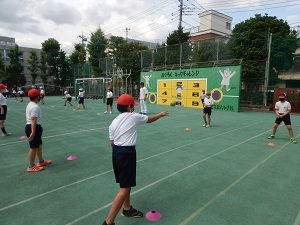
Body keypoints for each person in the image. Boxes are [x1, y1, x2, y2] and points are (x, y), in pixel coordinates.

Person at [102, 94, 169, 225]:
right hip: (126, 153)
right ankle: (108, 222)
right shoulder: (134, 116)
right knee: (124, 189)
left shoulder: (113, 121)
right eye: (132, 106)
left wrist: (118, 154)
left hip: (116, 151)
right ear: (129, 106)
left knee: (126, 183)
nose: (133, 108)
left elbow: (112, 142)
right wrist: (160, 114)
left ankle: (127, 209)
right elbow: (150, 119)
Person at [25, 89, 52, 172]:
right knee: (33, 147)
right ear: (37, 96)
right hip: (34, 127)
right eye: (39, 95)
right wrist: (33, 132)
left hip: (35, 127)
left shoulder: (31, 104)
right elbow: (33, 119)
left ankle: (41, 161)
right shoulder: (35, 107)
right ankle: (31, 166)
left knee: (39, 145)